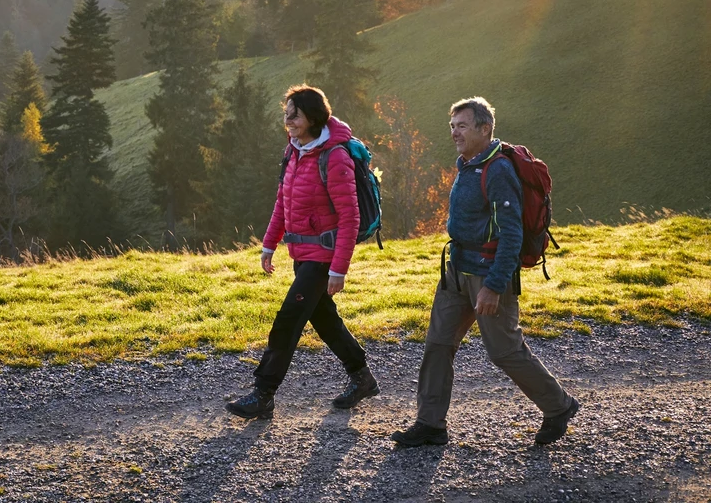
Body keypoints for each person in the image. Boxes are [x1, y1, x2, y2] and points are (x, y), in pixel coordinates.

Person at [392, 97, 579, 447]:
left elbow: (512, 235)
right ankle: (430, 424)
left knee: (504, 350)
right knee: (437, 344)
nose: (454, 133)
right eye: (452, 126)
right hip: (457, 271)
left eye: (462, 126)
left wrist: (493, 286)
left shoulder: (498, 170)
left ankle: (559, 405)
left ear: (484, 128)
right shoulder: (468, 164)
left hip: (488, 273)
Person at [226, 85, 379, 420]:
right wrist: (269, 243)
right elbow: (284, 202)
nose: (288, 120)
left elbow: (350, 216)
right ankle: (362, 377)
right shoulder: (294, 151)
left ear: (313, 116)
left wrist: (339, 269)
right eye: (286, 113)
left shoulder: (334, 155)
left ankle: (263, 394)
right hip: (300, 253)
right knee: (324, 320)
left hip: (322, 257)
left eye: (294, 114)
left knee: (287, 321)